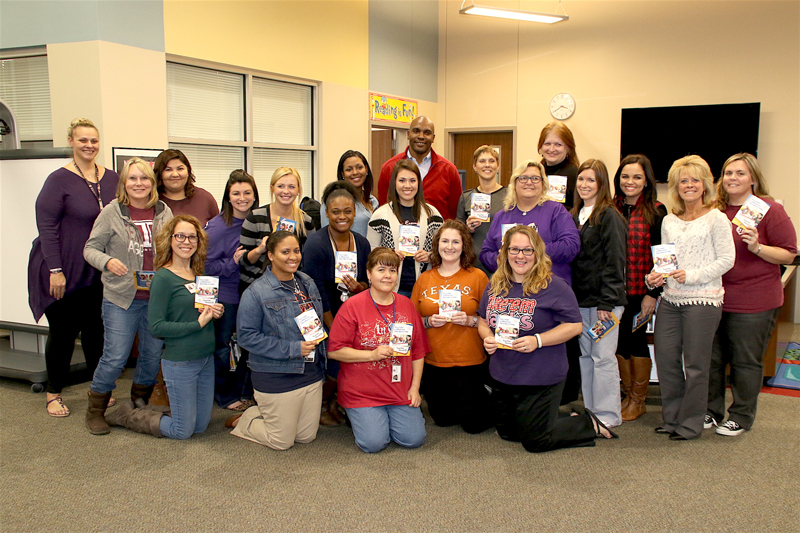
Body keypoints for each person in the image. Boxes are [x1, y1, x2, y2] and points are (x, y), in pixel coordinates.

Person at [476, 225, 616, 453]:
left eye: (527, 250)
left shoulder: (555, 286)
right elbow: (483, 320)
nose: (520, 256)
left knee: (535, 441)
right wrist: (487, 337)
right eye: (514, 249)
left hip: (541, 375)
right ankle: (553, 415)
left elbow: (574, 326)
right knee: (509, 434)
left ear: (537, 253)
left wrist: (537, 340)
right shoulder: (495, 284)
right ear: (505, 253)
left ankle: (587, 423)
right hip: (504, 374)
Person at [28, 118, 120, 418]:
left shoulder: (112, 179)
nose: (89, 145)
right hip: (62, 268)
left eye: (94, 140)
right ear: (71, 141)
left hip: (98, 270)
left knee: (96, 332)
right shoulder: (58, 180)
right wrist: (55, 269)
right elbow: (47, 228)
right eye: (83, 140)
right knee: (64, 332)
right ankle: (54, 393)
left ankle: (98, 388)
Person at [107, 215, 224, 439]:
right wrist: (197, 324)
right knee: (183, 431)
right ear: (170, 240)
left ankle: (158, 409)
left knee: (200, 427)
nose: (186, 241)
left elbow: (196, 312)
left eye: (192, 237)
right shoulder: (162, 278)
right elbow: (157, 327)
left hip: (205, 359)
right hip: (181, 361)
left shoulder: (199, 275)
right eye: (180, 236)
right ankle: (128, 415)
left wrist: (215, 312)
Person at [478, 159, 582, 404]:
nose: (528, 182)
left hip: (547, 295)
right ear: (514, 183)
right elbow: (485, 253)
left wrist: (533, 254)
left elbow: (571, 246)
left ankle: (557, 409)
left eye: (535, 178)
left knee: (547, 358)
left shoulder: (556, 211)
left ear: (543, 183)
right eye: (522, 178)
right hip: (509, 294)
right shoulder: (503, 215)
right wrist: (510, 258)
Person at [646, 155, 734, 441]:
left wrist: (692, 274)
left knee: (696, 366)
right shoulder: (669, 220)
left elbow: (727, 260)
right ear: (675, 186)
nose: (689, 185)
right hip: (670, 299)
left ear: (705, 184)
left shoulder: (717, 218)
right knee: (667, 359)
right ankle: (671, 419)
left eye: (695, 180)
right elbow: (666, 261)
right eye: (683, 180)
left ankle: (692, 422)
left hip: (704, 300)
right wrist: (654, 276)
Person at [707, 153, 797, 436]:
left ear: (753, 179)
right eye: (728, 173)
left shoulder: (769, 210)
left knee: (745, 361)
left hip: (754, 300)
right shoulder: (714, 210)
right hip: (715, 297)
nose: (733, 178)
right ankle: (710, 411)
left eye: (740, 173)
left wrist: (758, 247)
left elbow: (790, 254)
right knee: (712, 358)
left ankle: (742, 416)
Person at [82, 158, 173, 434]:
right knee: (115, 356)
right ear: (124, 183)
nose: (139, 184)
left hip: (156, 298)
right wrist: (108, 262)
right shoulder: (112, 212)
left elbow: (173, 249)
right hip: (121, 297)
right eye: (132, 178)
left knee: (151, 354)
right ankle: (95, 410)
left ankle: (139, 400)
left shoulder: (164, 211)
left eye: (144, 178)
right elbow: (90, 249)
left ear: (152, 183)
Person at [227, 231, 327, 450]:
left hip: (311, 372)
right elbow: (247, 337)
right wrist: (293, 348)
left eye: (296, 251)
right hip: (277, 374)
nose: (293, 256)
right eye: (285, 252)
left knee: (306, 436)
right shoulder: (256, 292)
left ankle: (266, 413)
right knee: (281, 442)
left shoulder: (306, 282)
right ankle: (248, 419)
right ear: (270, 255)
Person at [327, 247, 429, 453]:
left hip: (399, 389)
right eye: (381, 270)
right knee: (373, 444)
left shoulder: (407, 305)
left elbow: (418, 352)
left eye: (393, 271)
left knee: (413, 439)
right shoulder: (352, 306)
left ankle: (382, 417)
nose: (387, 276)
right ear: (369, 274)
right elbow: (335, 351)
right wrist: (371, 355)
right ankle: (359, 413)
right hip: (363, 391)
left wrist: (415, 388)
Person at [411, 220, 491, 433]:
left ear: (464, 245)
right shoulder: (425, 279)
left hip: (469, 360)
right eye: (445, 241)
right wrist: (428, 321)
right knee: (443, 420)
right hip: (435, 362)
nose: (450, 246)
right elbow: (411, 322)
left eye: (456, 241)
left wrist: (470, 320)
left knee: (474, 426)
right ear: (437, 245)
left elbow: (491, 318)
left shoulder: (478, 277)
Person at [302, 181, 371, 426]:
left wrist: (360, 287)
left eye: (348, 211)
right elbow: (315, 292)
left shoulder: (362, 243)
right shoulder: (316, 244)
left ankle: (337, 402)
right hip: (322, 313)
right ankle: (320, 405)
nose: (342, 217)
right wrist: (334, 328)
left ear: (355, 212)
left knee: (351, 361)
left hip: (350, 312)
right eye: (335, 212)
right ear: (326, 213)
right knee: (331, 359)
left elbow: (367, 282)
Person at [570, 159, 628, 429]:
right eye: (581, 179)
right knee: (586, 358)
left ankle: (608, 415)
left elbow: (615, 261)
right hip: (581, 302)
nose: (584, 185)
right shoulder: (575, 214)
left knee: (603, 358)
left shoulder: (609, 215)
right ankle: (592, 411)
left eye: (591, 180)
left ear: (602, 184)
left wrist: (608, 301)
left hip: (605, 304)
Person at [613, 154, 667, 421]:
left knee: (636, 341)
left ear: (646, 181)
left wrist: (651, 295)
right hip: (614, 293)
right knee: (618, 343)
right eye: (625, 176)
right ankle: (626, 396)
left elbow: (662, 258)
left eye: (637, 177)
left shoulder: (657, 211)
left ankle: (638, 400)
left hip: (640, 293)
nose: (630, 182)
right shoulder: (610, 207)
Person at [204, 170, 259, 412]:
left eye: (247, 192)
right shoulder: (217, 227)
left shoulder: (259, 222)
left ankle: (246, 391)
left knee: (250, 347)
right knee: (224, 349)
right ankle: (225, 395)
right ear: (228, 196)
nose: (242, 198)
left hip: (253, 294)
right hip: (227, 296)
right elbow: (204, 266)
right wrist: (233, 263)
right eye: (236, 193)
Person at [367, 160, 443, 298]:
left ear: (418, 183)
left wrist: (429, 255)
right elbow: (371, 253)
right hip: (391, 289)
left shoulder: (433, 215)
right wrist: (388, 254)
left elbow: (444, 249)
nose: (407, 185)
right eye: (402, 180)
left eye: (412, 180)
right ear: (394, 183)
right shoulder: (380, 215)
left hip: (425, 288)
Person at [239, 166, 315, 291]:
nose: (286, 191)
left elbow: (309, 260)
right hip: (255, 288)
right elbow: (243, 260)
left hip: (292, 289)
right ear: (272, 188)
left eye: (291, 187)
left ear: (298, 191)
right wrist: (260, 249)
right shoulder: (255, 217)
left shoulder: (306, 222)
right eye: (280, 186)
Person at [377, 116, 462, 220]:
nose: (421, 136)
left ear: (433, 138)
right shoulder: (389, 168)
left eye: (427, 133)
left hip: (437, 234)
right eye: (416, 131)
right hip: (399, 233)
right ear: (408, 134)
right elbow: (383, 207)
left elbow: (454, 213)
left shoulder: (449, 170)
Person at [456, 145, 508, 274]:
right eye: (482, 161)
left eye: (491, 161)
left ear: (498, 166)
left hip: (501, 262)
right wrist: (467, 229)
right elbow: (457, 233)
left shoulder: (510, 195)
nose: (487, 165)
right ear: (475, 166)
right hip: (473, 262)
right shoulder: (466, 197)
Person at [320, 150, 379, 236]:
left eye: (359, 167)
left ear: (366, 169)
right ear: (342, 174)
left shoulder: (373, 201)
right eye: (349, 169)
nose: (355, 172)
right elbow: (327, 236)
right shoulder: (332, 201)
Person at [153, 149, 219, 226]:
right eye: (168, 169)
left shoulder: (205, 198)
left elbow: (218, 231)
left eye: (180, 169)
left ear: (188, 171)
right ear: (160, 174)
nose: (175, 174)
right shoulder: (152, 201)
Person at [537, 121, 580, 210]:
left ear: (568, 148)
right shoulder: (536, 172)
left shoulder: (575, 174)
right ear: (540, 147)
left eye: (558, 144)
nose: (552, 149)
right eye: (547, 144)